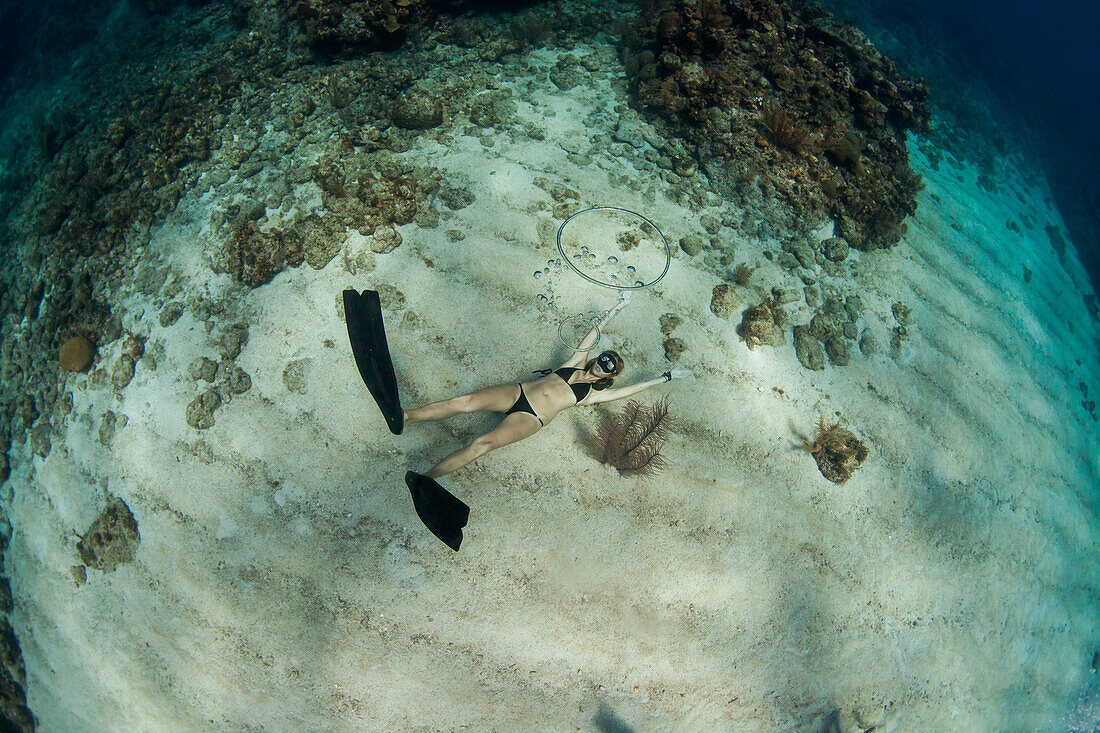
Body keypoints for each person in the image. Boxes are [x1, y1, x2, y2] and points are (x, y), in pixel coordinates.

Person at [403, 292, 690, 479]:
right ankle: (405, 416)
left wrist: (665, 377)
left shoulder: (591, 395)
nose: (601, 364)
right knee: (463, 402)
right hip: (518, 392)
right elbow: (594, 332)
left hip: (531, 418)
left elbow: (633, 390)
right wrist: (618, 307)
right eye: (603, 358)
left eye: (608, 367)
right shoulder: (575, 361)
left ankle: (427, 478)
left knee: (482, 444)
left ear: (607, 377)